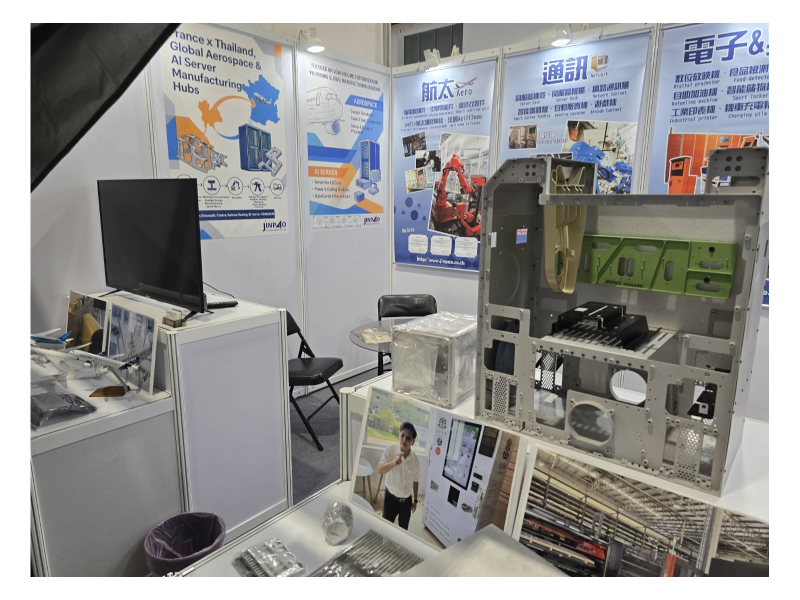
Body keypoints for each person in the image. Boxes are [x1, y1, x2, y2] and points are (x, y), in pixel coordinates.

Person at [377, 422, 421, 530]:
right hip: (390, 498)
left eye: (408, 438)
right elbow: (380, 470)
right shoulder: (390, 450)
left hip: (406, 501)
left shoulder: (415, 460)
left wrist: (415, 501)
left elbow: (416, 481)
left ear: (413, 442)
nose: (404, 440)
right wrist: (393, 463)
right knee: (387, 528)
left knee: (403, 529)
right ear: (399, 435)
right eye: (402, 435)